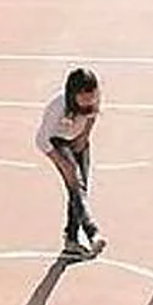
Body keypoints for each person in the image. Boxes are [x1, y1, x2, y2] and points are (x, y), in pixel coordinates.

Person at [36, 68, 106, 260]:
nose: (90, 101)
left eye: (93, 96)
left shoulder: (94, 97)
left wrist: (84, 136)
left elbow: (93, 115)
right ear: (73, 94)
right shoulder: (57, 107)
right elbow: (41, 140)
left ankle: (72, 239)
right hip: (56, 142)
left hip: (78, 140)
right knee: (75, 184)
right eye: (85, 98)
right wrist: (62, 162)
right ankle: (92, 233)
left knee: (80, 188)